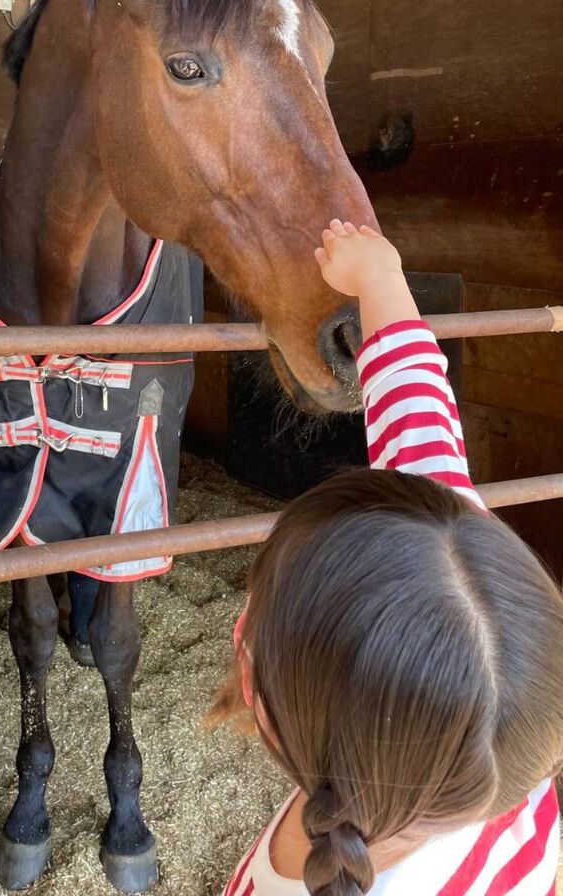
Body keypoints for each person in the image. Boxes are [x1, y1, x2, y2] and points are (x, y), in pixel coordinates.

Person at [212, 220, 563, 896]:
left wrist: (381, 276)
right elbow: (422, 431)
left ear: (263, 707)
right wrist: (380, 280)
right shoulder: (505, 751)